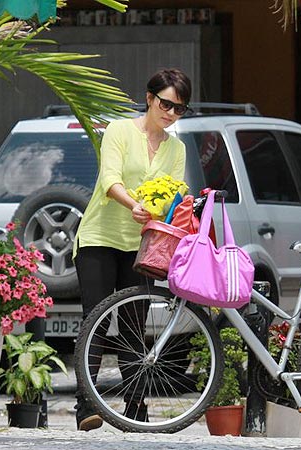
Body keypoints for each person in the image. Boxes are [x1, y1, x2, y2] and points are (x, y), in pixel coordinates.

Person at [72, 68, 191, 431]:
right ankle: (86, 405)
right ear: (150, 98)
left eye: (179, 109)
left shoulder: (177, 148)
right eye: (166, 104)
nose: (170, 113)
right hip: (99, 236)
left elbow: (174, 193)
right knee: (96, 317)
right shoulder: (120, 131)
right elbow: (110, 179)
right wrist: (133, 205)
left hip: (142, 245)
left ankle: (135, 408)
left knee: (134, 325)